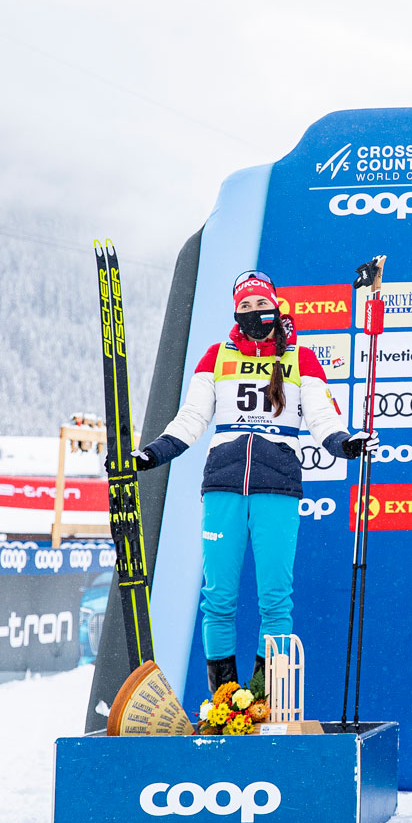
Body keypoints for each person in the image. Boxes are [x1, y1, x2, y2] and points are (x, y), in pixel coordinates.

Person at [133, 270, 377, 692]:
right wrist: (153, 453)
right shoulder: (215, 357)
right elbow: (191, 418)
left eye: (260, 303)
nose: (253, 311)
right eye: (244, 305)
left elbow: (322, 418)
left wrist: (345, 443)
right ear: (235, 312)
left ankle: (264, 698)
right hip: (223, 489)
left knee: (275, 602)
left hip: (277, 490)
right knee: (218, 600)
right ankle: (225, 702)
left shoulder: (301, 359)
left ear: (275, 306)